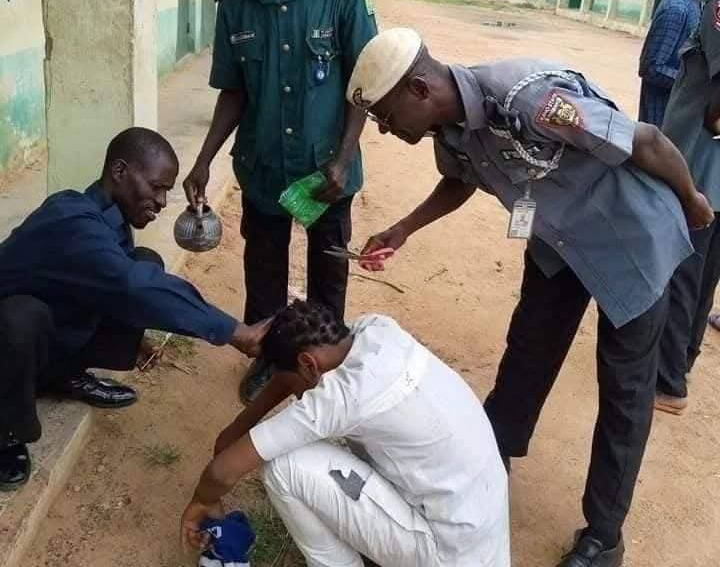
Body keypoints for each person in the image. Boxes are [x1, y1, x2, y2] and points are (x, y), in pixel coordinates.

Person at [349, 29, 713, 567]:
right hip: (558, 245)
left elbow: (648, 142)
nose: (383, 128)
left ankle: (604, 537)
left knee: (625, 388)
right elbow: (460, 180)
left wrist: (695, 202)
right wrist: (404, 229)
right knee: (526, 355)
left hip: (630, 241)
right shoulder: (449, 130)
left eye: (384, 114)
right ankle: (489, 459)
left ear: (419, 90)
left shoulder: (533, 99)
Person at [182, 0, 378, 403]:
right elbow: (234, 91)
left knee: (328, 274)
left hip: (325, 173)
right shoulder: (237, 1)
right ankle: (270, 363)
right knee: (263, 271)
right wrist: (204, 161)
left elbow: (364, 84)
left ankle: (325, 367)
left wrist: (342, 159)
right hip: (265, 166)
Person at [0, 128, 266, 492]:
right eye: (157, 187)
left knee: (145, 261)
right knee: (22, 315)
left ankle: (65, 375)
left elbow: (121, 285)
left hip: (47, 337)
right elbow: (131, 286)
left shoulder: (108, 219)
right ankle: (7, 431)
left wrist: (135, 331)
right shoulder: (71, 221)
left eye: (166, 191)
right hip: (11, 344)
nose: (161, 201)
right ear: (120, 171)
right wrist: (235, 331)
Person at [181, 300, 510, 567]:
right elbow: (289, 376)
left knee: (285, 468)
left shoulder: (342, 399)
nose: (299, 397)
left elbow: (222, 471)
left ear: (308, 364)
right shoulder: (376, 329)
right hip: (481, 532)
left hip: (448, 555)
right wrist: (236, 429)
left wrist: (202, 501)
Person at [657, 0, 720, 414]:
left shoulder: (718, 5)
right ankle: (682, 365)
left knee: (684, 271)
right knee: (703, 277)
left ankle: (668, 381)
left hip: (699, 170)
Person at [638, 0, 720, 125]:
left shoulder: (698, 1)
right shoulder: (677, 9)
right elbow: (650, 68)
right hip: (662, 116)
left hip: (681, 112)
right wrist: (696, 83)